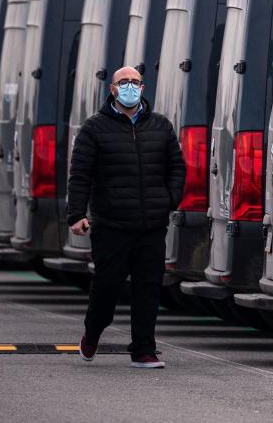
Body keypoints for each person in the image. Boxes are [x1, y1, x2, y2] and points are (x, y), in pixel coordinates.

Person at [67, 66, 186, 369]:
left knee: (148, 288)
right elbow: (80, 175)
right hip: (112, 225)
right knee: (106, 287)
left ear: (143, 88)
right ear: (113, 89)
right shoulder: (94, 128)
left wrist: (169, 200)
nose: (130, 87)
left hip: (151, 225)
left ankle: (143, 349)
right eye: (124, 82)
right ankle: (92, 332)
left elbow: (177, 167)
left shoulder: (161, 127)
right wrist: (76, 215)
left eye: (135, 82)